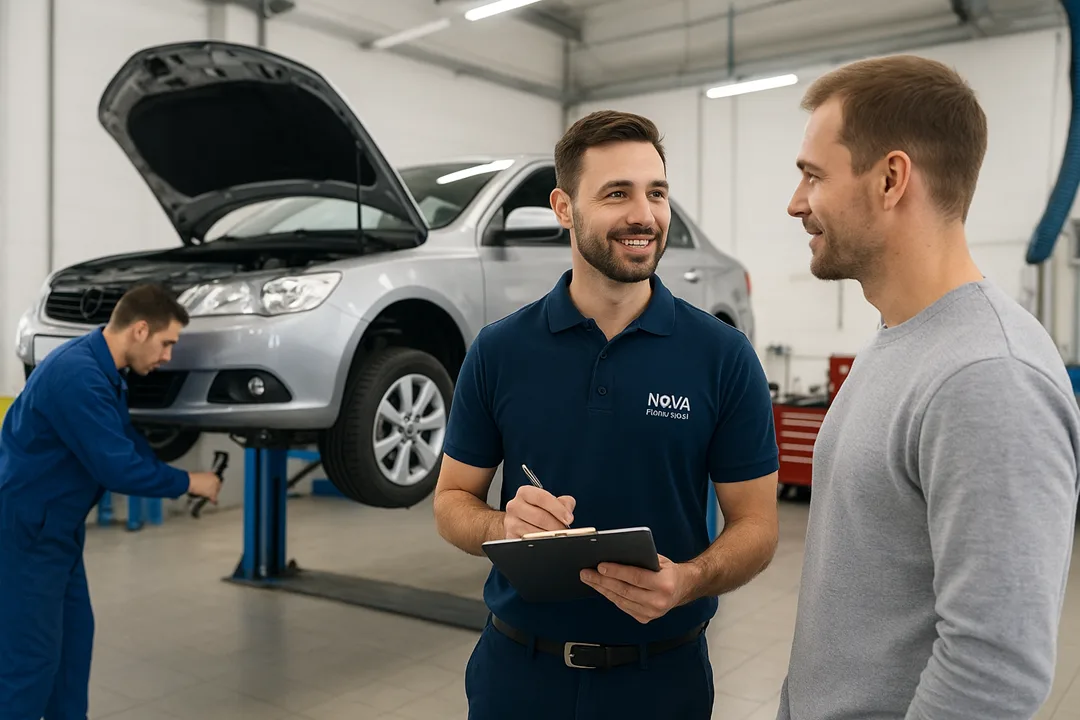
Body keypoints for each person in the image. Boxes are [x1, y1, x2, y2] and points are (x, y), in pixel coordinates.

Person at [432, 110, 781, 720]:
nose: (644, 215)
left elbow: (757, 527)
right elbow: (451, 502)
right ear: (564, 208)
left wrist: (689, 581)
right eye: (617, 193)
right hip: (518, 676)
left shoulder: (722, 357)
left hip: (661, 681)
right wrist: (503, 528)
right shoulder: (500, 350)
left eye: (657, 193)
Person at [779, 55, 1080, 720]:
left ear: (891, 179)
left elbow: (993, 673)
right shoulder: (904, 338)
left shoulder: (988, 378)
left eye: (812, 176)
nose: (795, 202)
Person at [0, 283, 222, 720]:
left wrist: (170, 463)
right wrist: (187, 481)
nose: (167, 357)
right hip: (23, 533)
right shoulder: (77, 375)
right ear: (140, 330)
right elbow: (117, 468)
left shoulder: (103, 371)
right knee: (30, 664)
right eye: (167, 343)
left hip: (57, 532)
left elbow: (126, 441)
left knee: (72, 653)